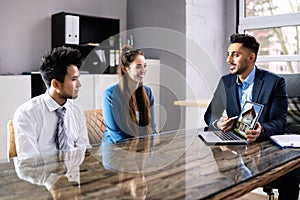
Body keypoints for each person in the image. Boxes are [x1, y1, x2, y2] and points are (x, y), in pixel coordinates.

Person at [204, 33, 298, 200]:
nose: (229, 60)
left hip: (267, 144)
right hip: (236, 144)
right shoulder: (226, 82)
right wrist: (219, 123)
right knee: (211, 171)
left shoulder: (275, 82)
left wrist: (262, 129)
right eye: (228, 54)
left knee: (289, 173)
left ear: (251, 57)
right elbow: (210, 114)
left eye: (236, 55)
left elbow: (279, 121)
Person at [13, 46, 91, 158]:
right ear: (55, 84)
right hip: (44, 174)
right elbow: (29, 163)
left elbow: (84, 152)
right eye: (73, 79)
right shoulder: (27, 113)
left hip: (74, 172)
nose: (79, 84)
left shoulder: (76, 111)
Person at [102, 45, 156, 144]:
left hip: (141, 150)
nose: (143, 70)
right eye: (138, 66)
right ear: (125, 69)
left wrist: (150, 153)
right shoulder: (109, 95)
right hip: (116, 151)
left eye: (145, 66)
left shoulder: (148, 93)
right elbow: (117, 136)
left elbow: (152, 130)